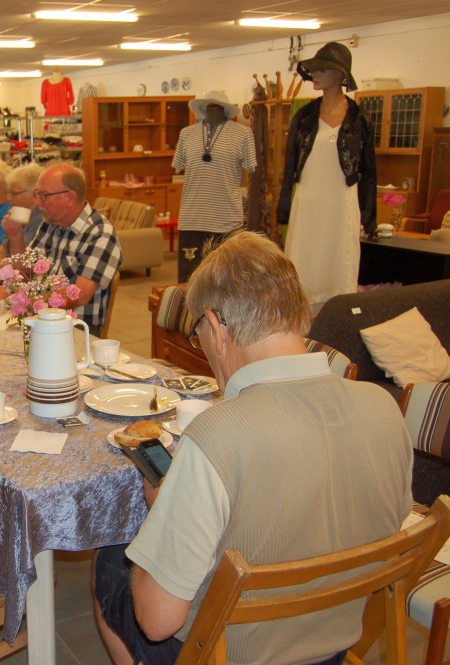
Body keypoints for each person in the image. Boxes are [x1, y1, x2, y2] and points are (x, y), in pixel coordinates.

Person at [93, 231, 412, 665]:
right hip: (333, 644)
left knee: (110, 561)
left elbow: (157, 620)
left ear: (217, 327)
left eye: (199, 334)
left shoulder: (216, 435)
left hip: (229, 652)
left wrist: (163, 517)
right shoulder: (385, 407)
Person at [279, 41, 377, 313]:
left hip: (341, 203)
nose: (316, 75)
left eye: (323, 69)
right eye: (315, 69)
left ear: (339, 74)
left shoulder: (358, 118)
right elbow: (290, 166)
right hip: (308, 202)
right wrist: (284, 209)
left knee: (340, 263)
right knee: (304, 261)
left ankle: (337, 319)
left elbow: (369, 170)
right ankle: (300, 321)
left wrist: (369, 217)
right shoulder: (304, 117)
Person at [0, 163, 121, 336]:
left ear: (70, 198)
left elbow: (79, 296)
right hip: (39, 319)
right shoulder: (50, 223)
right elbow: (25, 272)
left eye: (44, 196)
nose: (37, 202)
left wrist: (21, 300)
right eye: (37, 194)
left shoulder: (100, 234)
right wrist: (15, 235)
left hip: (74, 328)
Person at [173, 90, 256, 282]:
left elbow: (251, 168)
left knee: (227, 282)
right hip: (191, 220)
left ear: (225, 109)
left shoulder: (243, 134)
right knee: (189, 280)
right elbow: (178, 166)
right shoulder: (186, 134)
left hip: (227, 220)